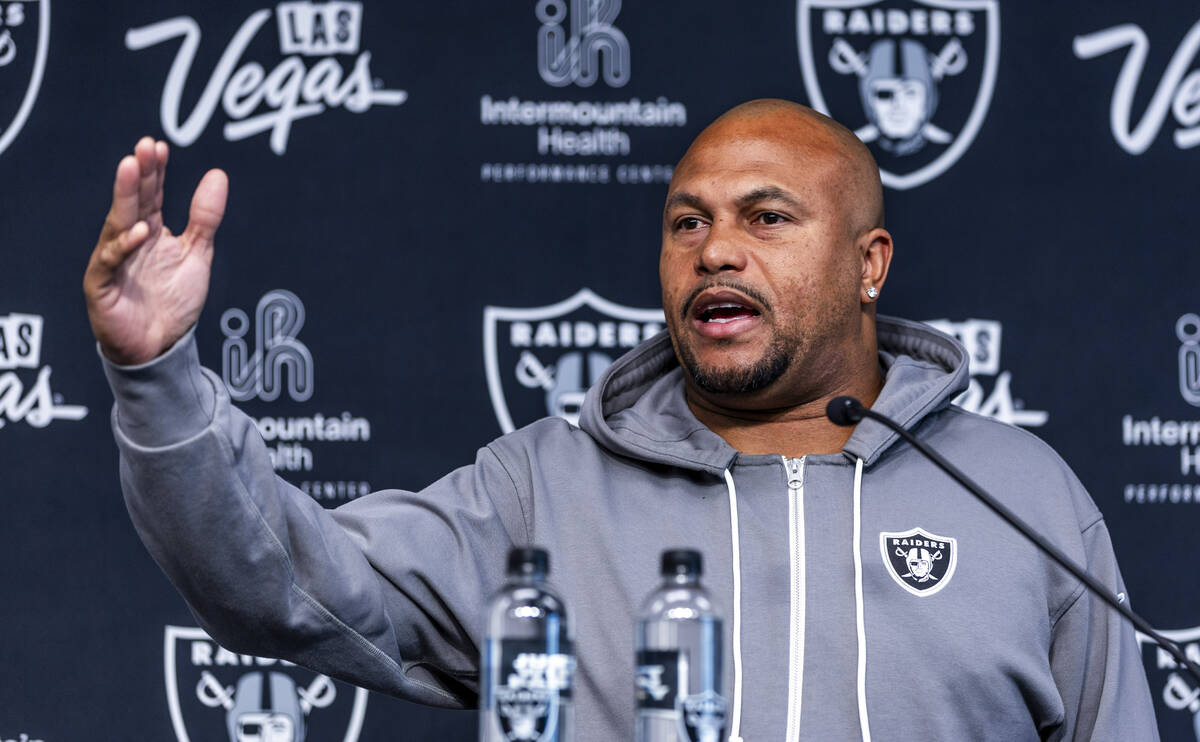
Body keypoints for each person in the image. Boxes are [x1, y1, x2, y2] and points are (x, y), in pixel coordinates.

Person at [83, 99, 1157, 740]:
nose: (715, 250)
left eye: (766, 218)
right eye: (687, 221)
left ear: (868, 264)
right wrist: (158, 374)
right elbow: (284, 582)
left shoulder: (1024, 496)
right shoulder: (541, 489)